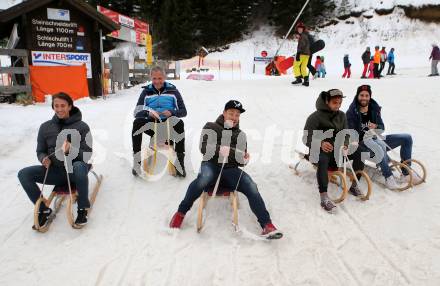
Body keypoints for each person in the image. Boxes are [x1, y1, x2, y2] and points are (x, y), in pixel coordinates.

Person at [169, 100, 283, 239]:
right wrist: (219, 149)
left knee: (251, 186)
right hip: (210, 165)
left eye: (237, 115)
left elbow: (240, 160)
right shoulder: (210, 126)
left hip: (230, 169)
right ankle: (180, 213)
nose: (234, 117)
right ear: (224, 113)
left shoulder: (241, 135)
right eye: (231, 113)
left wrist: (244, 158)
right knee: (204, 178)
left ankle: (267, 225)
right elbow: (204, 147)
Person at [18, 92, 93, 227]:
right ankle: (44, 209)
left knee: (78, 166)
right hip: (55, 173)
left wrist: (71, 149)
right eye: (56, 106)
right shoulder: (45, 127)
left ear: (70, 106)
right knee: (23, 174)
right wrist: (43, 159)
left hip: (75, 172)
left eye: (63, 106)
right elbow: (40, 151)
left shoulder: (82, 127)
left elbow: (87, 155)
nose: (59, 109)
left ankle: (82, 208)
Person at [346, 85, 422, 190]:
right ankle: (388, 177)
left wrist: (376, 126)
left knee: (406, 137)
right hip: (362, 145)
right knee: (378, 144)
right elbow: (352, 134)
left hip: (377, 139)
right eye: (361, 95)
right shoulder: (351, 112)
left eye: (366, 95)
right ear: (357, 96)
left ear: (370, 96)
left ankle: (405, 174)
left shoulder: (374, 109)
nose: (364, 98)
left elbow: (382, 127)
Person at [303, 89, 364, 212]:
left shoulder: (341, 115)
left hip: (338, 151)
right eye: (335, 103)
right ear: (327, 101)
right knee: (322, 159)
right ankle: (324, 197)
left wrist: (346, 145)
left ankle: (354, 185)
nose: (338, 106)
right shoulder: (315, 117)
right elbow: (306, 138)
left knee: (359, 151)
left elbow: (346, 133)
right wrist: (320, 143)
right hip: (321, 151)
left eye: (340, 103)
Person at [132, 66, 187, 177]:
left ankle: (180, 162)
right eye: (154, 78)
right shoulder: (146, 92)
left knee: (180, 123)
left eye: (160, 78)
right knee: (137, 123)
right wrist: (148, 114)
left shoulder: (173, 91)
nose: (157, 81)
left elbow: (183, 111)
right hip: (152, 124)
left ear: (164, 77)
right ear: (151, 78)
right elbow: (137, 112)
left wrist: (172, 112)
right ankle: (136, 161)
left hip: (168, 124)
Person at [291, 22, 311, 87]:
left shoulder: (302, 36)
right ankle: (306, 81)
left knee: (295, 66)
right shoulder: (306, 35)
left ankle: (298, 79)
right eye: (299, 29)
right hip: (307, 54)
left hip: (302, 53)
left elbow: (301, 45)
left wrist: (298, 53)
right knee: (303, 67)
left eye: (301, 29)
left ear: (303, 29)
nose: (299, 30)